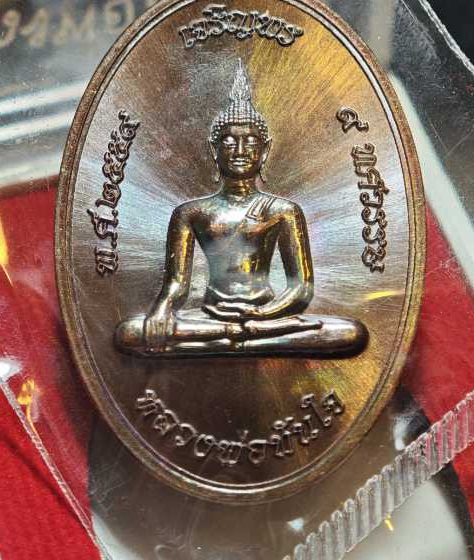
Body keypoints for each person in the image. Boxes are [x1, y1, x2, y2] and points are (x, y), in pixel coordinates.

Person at [115, 62, 368, 358]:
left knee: (350, 333)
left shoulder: (283, 211)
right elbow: (177, 284)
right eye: (229, 140)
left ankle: (233, 340)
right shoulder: (191, 212)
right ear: (214, 150)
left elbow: (301, 289)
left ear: (265, 150)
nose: (239, 150)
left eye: (250, 141)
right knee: (130, 332)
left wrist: (261, 314)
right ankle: (240, 338)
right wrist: (162, 309)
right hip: (211, 317)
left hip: (268, 316)